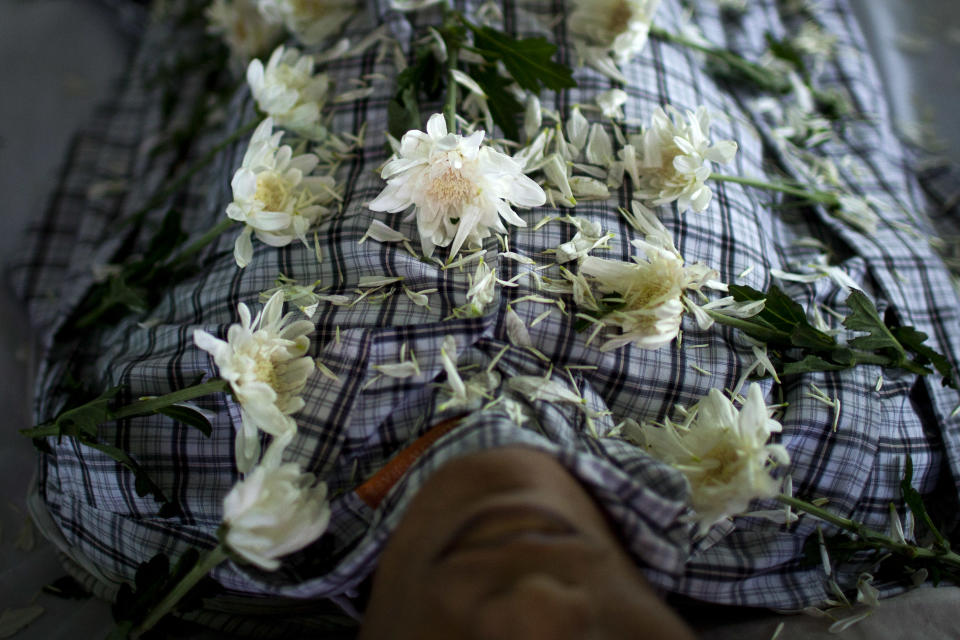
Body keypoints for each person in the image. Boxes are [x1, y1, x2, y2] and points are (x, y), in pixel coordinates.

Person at [9, 0, 960, 637]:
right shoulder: (853, 465)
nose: (532, 604)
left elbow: (125, 200)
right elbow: (850, 169)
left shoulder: (163, 492)